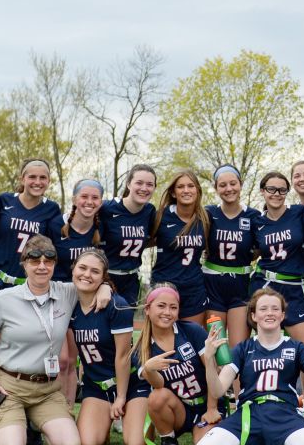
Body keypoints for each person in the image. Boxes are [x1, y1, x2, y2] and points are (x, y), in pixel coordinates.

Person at [0, 235, 112, 445]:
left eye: (47, 262)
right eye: (34, 261)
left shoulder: (66, 292)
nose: (41, 267)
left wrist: (105, 286)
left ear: (54, 265)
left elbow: (92, 282)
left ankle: (31, 423)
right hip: (10, 386)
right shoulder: (5, 298)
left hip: (47, 388)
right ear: (24, 264)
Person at [193, 288, 304, 445]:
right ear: (253, 316)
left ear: (283, 315)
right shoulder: (242, 349)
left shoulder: (296, 347)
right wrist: (208, 360)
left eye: (275, 309)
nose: (269, 313)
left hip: (284, 414)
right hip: (249, 414)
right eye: (263, 309)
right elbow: (217, 390)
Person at [251, 171, 304, 420]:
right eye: (271, 189)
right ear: (262, 191)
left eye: (282, 190)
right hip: (264, 288)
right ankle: (244, 404)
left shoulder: (298, 213)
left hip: (293, 289)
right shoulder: (255, 220)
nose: (277, 194)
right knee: (247, 349)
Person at [135, 284, 224, 445]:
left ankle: (212, 422)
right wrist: (149, 369)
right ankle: (169, 440)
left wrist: (212, 407)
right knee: (156, 396)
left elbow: (212, 369)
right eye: (161, 306)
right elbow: (158, 385)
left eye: (173, 307)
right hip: (180, 409)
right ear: (147, 309)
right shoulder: (141, 348)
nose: (167, 312)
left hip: (206, 403)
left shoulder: (191, 331)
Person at [67, 250, 137, 445]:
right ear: (73, 269)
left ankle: (131, 410)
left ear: (103, 277)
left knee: (136, 444)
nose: (87, 274)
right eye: (82, 268)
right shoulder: (69, 302)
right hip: (97, 386)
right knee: (88, 444)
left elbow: (123, 356)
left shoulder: (117, 305)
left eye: (95, 271)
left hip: (128, 383)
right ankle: (104, 422)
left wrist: (121, 397)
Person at [51, 179, 105, 404]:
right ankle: (47, 413)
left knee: (72, 361)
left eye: (95, 198)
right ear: (74, 199)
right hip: (57, 297)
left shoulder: (104, 227)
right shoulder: (55, 225)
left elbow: (105, 265)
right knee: (60, 360)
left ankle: (66, 413)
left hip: (85, 299)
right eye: (84, 196)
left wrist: (104, 287)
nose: (89, 202)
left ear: (101, 202)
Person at [0, 158, 62, 300]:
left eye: (43, 177)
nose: (37, 182)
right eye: (32, 177)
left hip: (26, 286)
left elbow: (53, 247)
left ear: (49, 181)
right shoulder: (5, 200)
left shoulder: (52, 209)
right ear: (22, 179)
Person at [203, 165, 260, 350]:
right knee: (218, 350)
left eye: (233, 183)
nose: (229, 189)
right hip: (213, 287)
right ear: (216, 187)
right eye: (223, 185)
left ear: (241, 184)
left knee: (238, 350)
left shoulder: (253, 216)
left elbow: (262, 246)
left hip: (241, 286)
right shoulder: (208, 213)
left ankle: (237, 381)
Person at [150, 171, 209, 326]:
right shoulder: (160, 217)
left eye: (191, 186)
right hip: (165, 286)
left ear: (197, 190)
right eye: (180, 187)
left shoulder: (205, 218)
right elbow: (142, 241)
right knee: (163, 341)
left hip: (194, 289)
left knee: (192, 341)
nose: (186, 190)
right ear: (173, 192)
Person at [99, 164, 157, 305]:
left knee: (126, 324)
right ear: (128, 184)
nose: (144, 188)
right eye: (139, 183)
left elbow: (152, 239)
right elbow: (91, 241)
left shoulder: (149, 211)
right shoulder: (107, 208)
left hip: (131, 279)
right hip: (105, 277)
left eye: (150, 184)